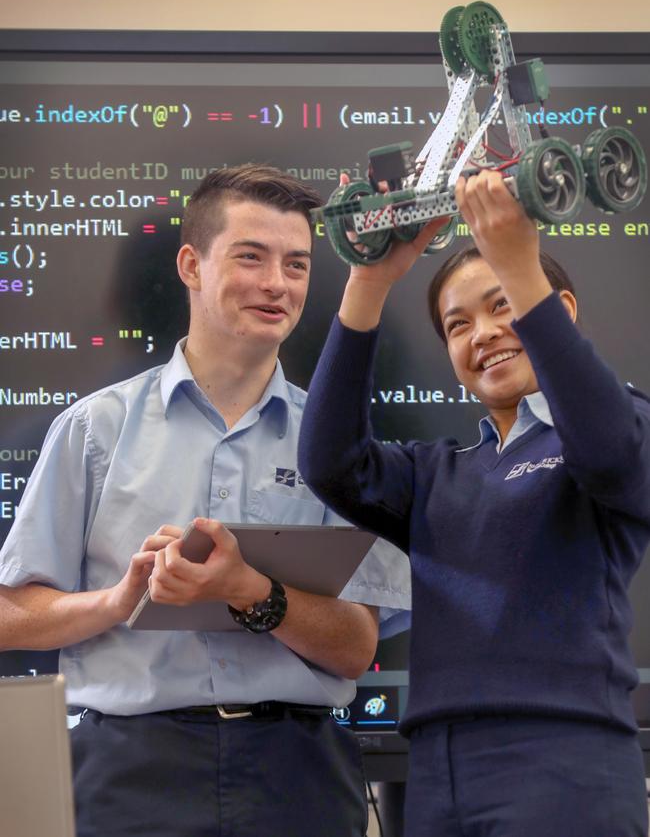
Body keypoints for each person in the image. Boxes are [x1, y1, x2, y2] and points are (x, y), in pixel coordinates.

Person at [0, 164, 411, 837]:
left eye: (297, 265)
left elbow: (355, 646)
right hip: (129, 771)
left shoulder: (339, 447)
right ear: (191, 264)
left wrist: (253, 591)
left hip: (297, 774)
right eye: (252, 257)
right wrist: (118, 599)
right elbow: (11, 615)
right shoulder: (93, 430)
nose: (277, 284)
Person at [298, 169, 650, 836]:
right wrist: (368, 281)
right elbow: (328, 462)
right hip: (434, 770)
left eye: (501, 306)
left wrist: (520, 265)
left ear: (559, 311)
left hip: (563, 761)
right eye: (457, 325)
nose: (482, 333)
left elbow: (605, 445)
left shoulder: (620, 428)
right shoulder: (439, 472)